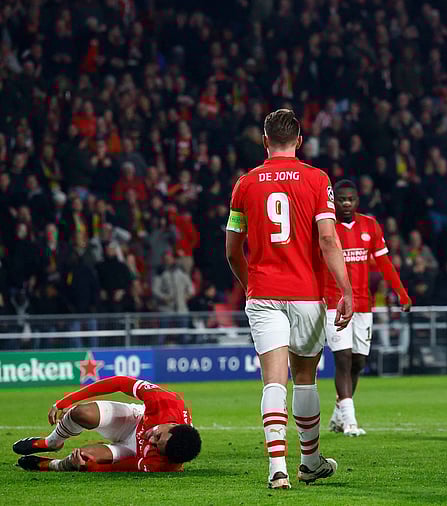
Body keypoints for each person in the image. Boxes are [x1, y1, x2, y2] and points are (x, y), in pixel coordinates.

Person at [224, 109, 353, 489]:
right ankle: (310, 461)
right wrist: (345, 289)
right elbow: (328, 239)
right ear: (299, 141)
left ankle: (277, 468)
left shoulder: (244, 184)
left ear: (265, 141)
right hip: (306, 293)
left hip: (263, 292)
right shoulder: (317, 179)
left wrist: (253, 284)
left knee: (273, 381)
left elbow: (232, 251)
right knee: (305, 379)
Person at [325, 179, 412, 437]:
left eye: (351, 198)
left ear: (358, 201)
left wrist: (401, 292)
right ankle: (350, 421)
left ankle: (337, 415)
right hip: (335, 303)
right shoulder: (327, 229)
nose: (347, 203)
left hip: (364, 304)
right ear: (334, 201)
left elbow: (384, 263)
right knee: (342, 358)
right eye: (341, 199)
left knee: (358, 362)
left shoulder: (370, 226)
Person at [13, 376, 200, 472]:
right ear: (173, 425)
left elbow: (118, 468)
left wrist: (86, 466)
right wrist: (65, 401)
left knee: (84, 458)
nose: (150, 440)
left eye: (156, 446)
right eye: (158, 435)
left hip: (132, 451)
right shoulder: (165, 402)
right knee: (81, 413)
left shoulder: (164, 463)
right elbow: (118, 383)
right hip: (134, 421)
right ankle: (52, 443)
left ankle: (51, 464)